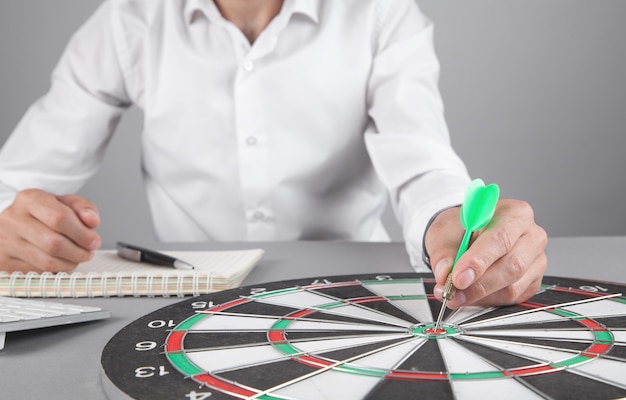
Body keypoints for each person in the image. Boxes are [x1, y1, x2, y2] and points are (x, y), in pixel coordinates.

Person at [0, 0, 547, 309]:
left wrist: (449, 220)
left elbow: (423, 162)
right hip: (190, 297)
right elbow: (14, 182)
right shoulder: (129, 21)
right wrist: (10, 225)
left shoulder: (382, 14)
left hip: (356, 298)